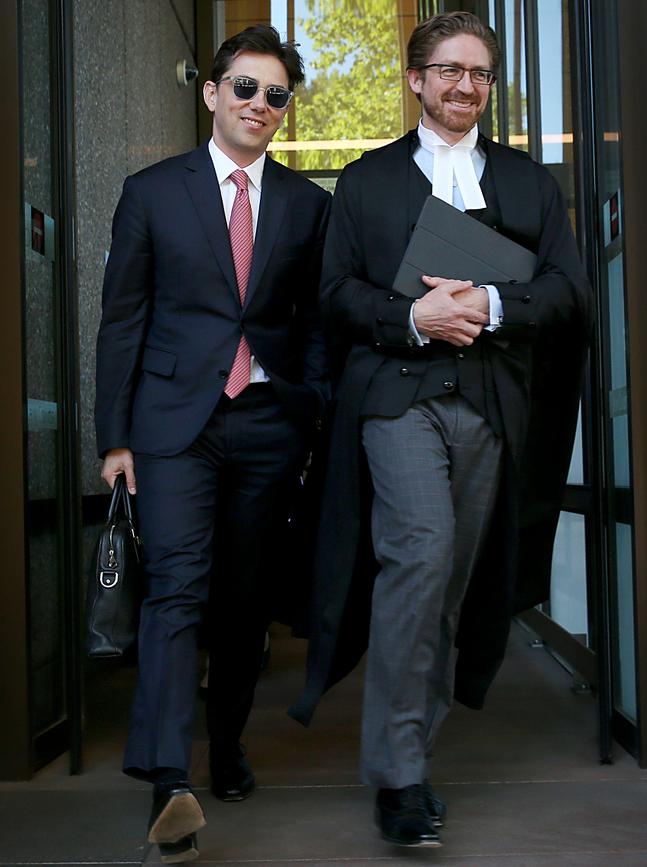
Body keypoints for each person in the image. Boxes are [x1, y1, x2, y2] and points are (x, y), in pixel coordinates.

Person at [290, 10, 592, 849]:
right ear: (416, 80)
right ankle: (398, 776)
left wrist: (493, 304)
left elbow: (570, 293)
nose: (466, 86)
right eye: (450, 70)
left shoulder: (530, 184)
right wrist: (414, 316)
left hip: (491, 401)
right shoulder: (364, 180)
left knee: (452, 581)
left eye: (480, 74)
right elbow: (335, 294)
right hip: (395, 395)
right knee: (418, 552)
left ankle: (411, 755)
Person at [95, 25, 330, 863]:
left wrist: (306, 409)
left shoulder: (309, 206)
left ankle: (224, 744)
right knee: (177, 591)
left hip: (267, 424)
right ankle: (168, 779)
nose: (259, 106)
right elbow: (122, 317)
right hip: (170, 427)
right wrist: (113, 435)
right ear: (211, 93)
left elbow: (313, 326)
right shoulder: (152, 191)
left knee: (242, 600)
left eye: (275, 95)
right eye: (245, 88)